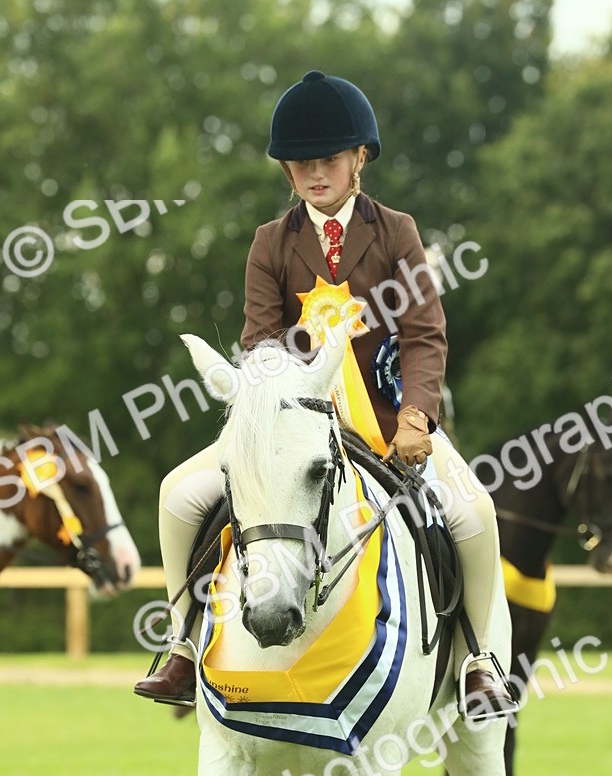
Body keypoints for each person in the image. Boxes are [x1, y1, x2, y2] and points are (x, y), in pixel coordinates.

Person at [135, 70, 514, 717]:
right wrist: (267, 422)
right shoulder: (270, 244)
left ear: (359, 158)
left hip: (392, 420)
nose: (316, 174)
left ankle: (478, 659)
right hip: (292, 424)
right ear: (287, 171)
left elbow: (425, 333)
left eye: (329, 160)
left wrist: (419, 415)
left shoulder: (396, 232)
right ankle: (180, 643)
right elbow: (259, 342)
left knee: (473, 513)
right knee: (178, 494)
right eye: (302, 163)